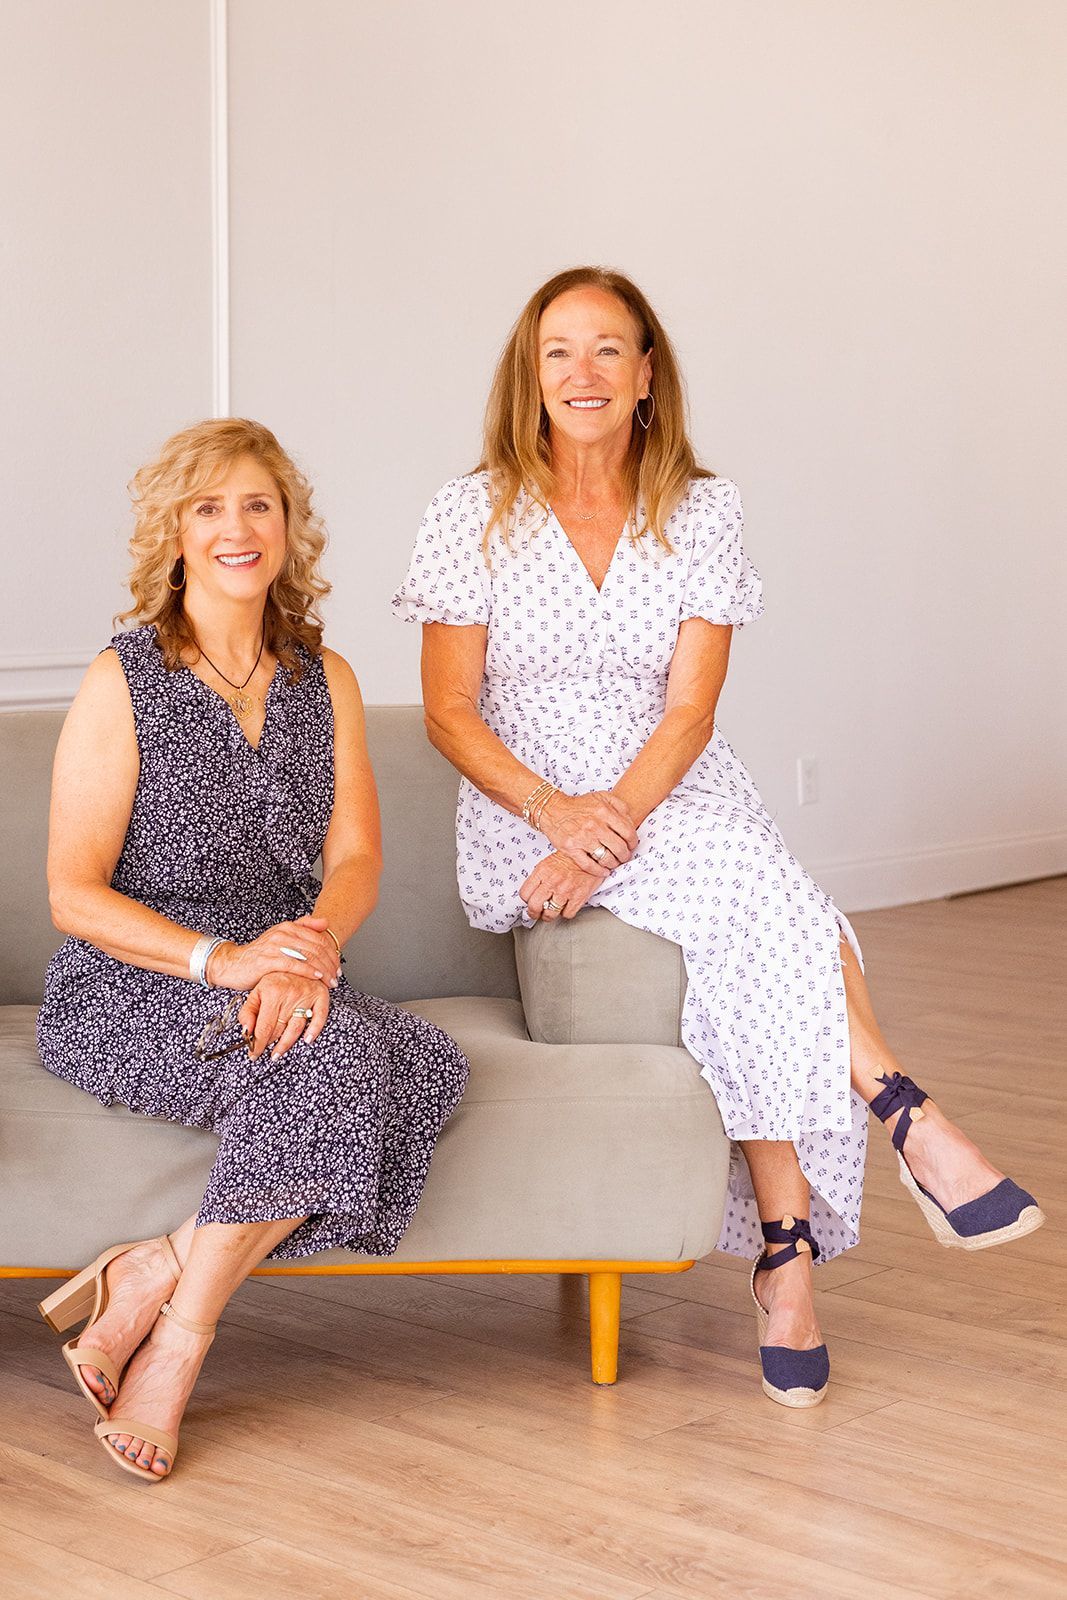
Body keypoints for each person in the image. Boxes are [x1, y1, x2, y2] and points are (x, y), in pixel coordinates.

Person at [393, 266, 1043, 1409]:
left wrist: (615, 825)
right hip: (523, 808)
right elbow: (448, 709)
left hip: (672, 790)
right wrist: (559, 817)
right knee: (771, 895)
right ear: (527, 375)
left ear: (647, 374)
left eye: (609, 350)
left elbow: (689, 711)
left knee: (763, 908)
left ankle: (785, 1252)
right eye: (558, 352)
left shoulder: (701, 506)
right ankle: (903, 1116)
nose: (582, 373)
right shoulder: (470, 510)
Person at [37, 418, 468, 1478]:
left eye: (257, 504)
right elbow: (70, 895)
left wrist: (309, 952)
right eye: (208, 506)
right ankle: (180, 1350)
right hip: (133, 981)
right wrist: (225, 962)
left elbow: (356, 854)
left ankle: (155, 1275)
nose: (236, 527)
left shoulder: (326, 677)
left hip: (287, 969)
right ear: (174, 532)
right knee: (342, 1063)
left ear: (287, 528)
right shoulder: (121, 679)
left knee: (430, 1062)